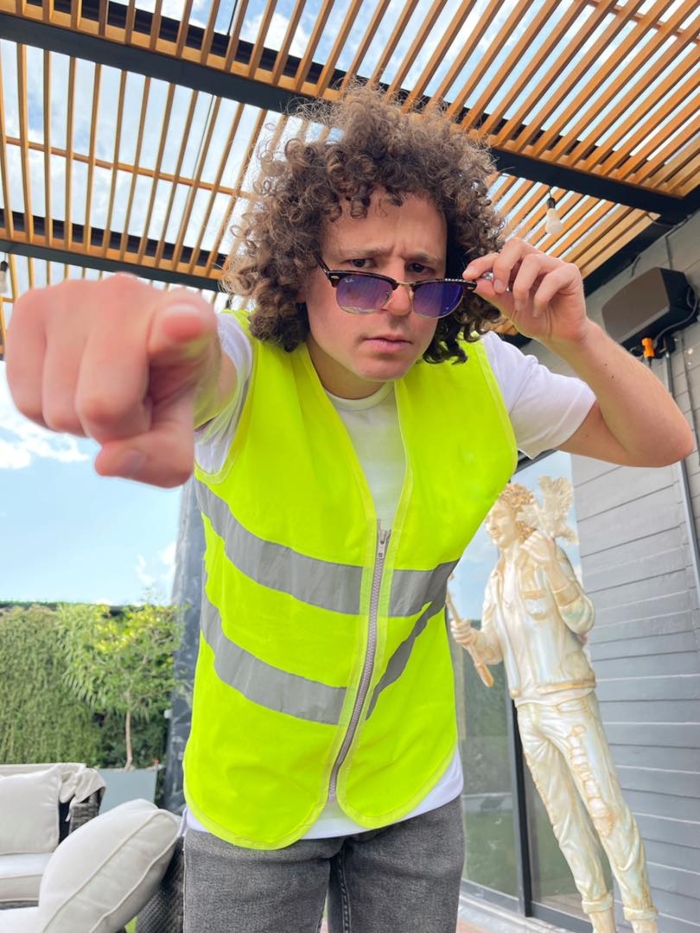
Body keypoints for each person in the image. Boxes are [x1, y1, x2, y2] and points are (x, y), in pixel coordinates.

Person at [5, 85, 692, 933]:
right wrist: (147, 342)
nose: (398, 300)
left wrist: (574, 336)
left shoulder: (484, 379)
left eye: (422, 275)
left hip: (410, 788)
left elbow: (664, 441)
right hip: (253, 799)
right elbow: (198, 357)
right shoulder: (246, 371)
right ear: (300, 271)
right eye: (361, 272)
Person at [450, 483, 658, 933]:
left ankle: (643, 922)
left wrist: (553, 569)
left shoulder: (545, 554)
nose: (490, 525)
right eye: (488, 520)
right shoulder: (495, 580)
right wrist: (473, 641)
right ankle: (601, 922)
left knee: (605, 811)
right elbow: (495, 648)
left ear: (517, 516)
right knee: (565, 822)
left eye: (496, 516)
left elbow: (583, 618)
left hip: (568, 700)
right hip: (529, 711)